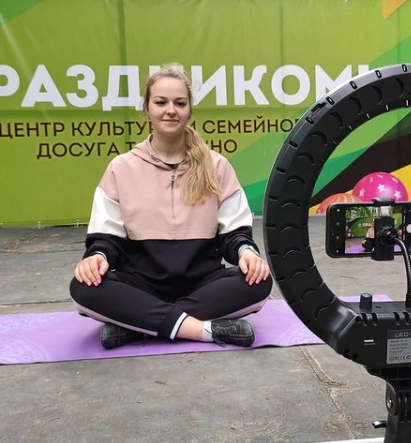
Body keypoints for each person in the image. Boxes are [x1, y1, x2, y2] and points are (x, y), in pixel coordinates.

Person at [70, 64, 272, 349]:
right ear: (147, 108)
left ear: (190, 110)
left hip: (202, 284)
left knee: (259, 282)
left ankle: (137, 324)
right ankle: (204, 330)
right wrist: (97, 257)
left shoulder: (218, 166)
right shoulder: (120, 168)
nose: (170, 110)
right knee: (83, 288)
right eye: (160, 102)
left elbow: (235, 235)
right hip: (140, 284)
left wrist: (246, 252)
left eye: (180, 103)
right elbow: (106, 239)